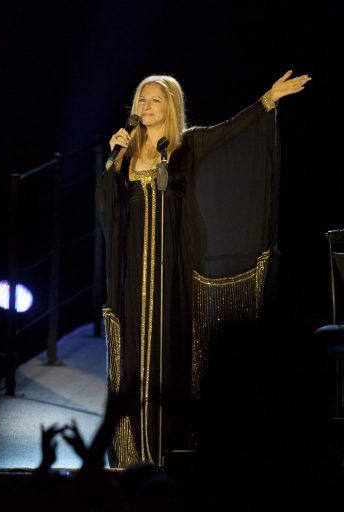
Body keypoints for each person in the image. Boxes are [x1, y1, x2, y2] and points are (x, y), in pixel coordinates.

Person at [97, 71, 311, 468]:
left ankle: (169, 450)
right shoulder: (125, 151)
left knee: (170, 350)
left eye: (155, 100)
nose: (146, 106)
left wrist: (267, 100)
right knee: (133, 353)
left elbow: (230, 132)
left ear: (170, 106)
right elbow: (108, 207)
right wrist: (114, 161)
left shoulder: (187, 144)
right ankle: (132, 452)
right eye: (142, 99)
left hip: (173, 266)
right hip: (132, 268)